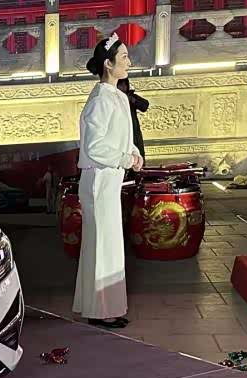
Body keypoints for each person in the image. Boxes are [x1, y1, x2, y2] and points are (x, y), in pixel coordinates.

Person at [73, 34, 142, 330]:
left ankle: (104, 308)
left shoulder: (116, 95)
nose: (129, 62)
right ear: (108, 64)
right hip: (99, 181)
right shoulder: (101, 98)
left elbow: (122, 137)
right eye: (123, 56)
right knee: (102, 246)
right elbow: (94, 146)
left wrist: (134, 153)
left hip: (109, 180)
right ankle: (100, 310)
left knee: (109, 246)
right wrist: (125, 159)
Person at [116, 77, 150, 160]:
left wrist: (132, 100)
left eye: (124, 85)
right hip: (119, 132)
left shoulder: (131, 96)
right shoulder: (113, 98)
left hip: (133, 132)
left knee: (137, 154)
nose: (122, 87)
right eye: (120, 85)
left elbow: (144, 105)